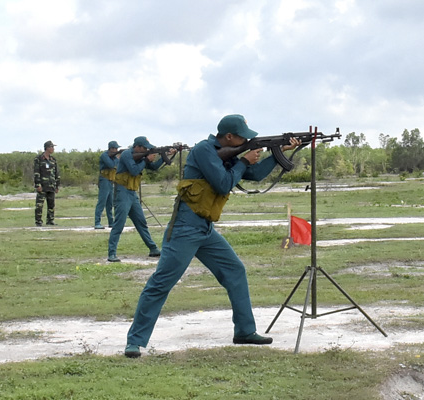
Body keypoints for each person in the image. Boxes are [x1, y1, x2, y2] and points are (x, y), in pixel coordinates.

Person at [124, 114, 301, 358]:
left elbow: (255, 175)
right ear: (229, 137)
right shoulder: (204, 150)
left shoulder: (225, 154)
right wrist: (243, 161)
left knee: (235, 271)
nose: (245, 141)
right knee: (161, 283)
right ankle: (135, 341)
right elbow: (222, 183)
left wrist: (278, 152)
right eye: (242, 138)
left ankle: (245, 331)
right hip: (186, 227)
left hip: (205, 228)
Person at [107, 136, 175, 262]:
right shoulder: (127, 154)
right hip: (123, 192)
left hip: (132, 193)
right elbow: (134, 171)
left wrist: (164, 156)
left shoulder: (140, 156)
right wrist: (146, 160)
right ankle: (112, 253)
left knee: (141, 222)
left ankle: (153, 248)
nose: (146, 150)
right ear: (137, 147)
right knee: (119, 223)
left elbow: (154, 167)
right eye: (144, 148)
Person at [94, 140, 121, 229]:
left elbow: (117, 164)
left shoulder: (113, 157)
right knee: (102, 202)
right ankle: (97, 222)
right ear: (111, 148)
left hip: (110, 180)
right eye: (115, 148)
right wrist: (117, 159)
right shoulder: (104, 156)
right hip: (104, 180)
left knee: (110, 203)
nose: (116, 150)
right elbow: (111, 164)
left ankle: (111, 222)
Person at [34, 140, 60, 226]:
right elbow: (36, 172)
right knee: (39, 205)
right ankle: (38, 221)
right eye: (52, 147)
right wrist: (37, 184)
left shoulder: (53, 160)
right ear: (47, 148)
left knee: (51, 204)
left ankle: (50, 220)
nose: (53, 149)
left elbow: (56, 173)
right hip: (42, 185)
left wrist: (57, 185)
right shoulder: (39, 159)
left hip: (51, 185)